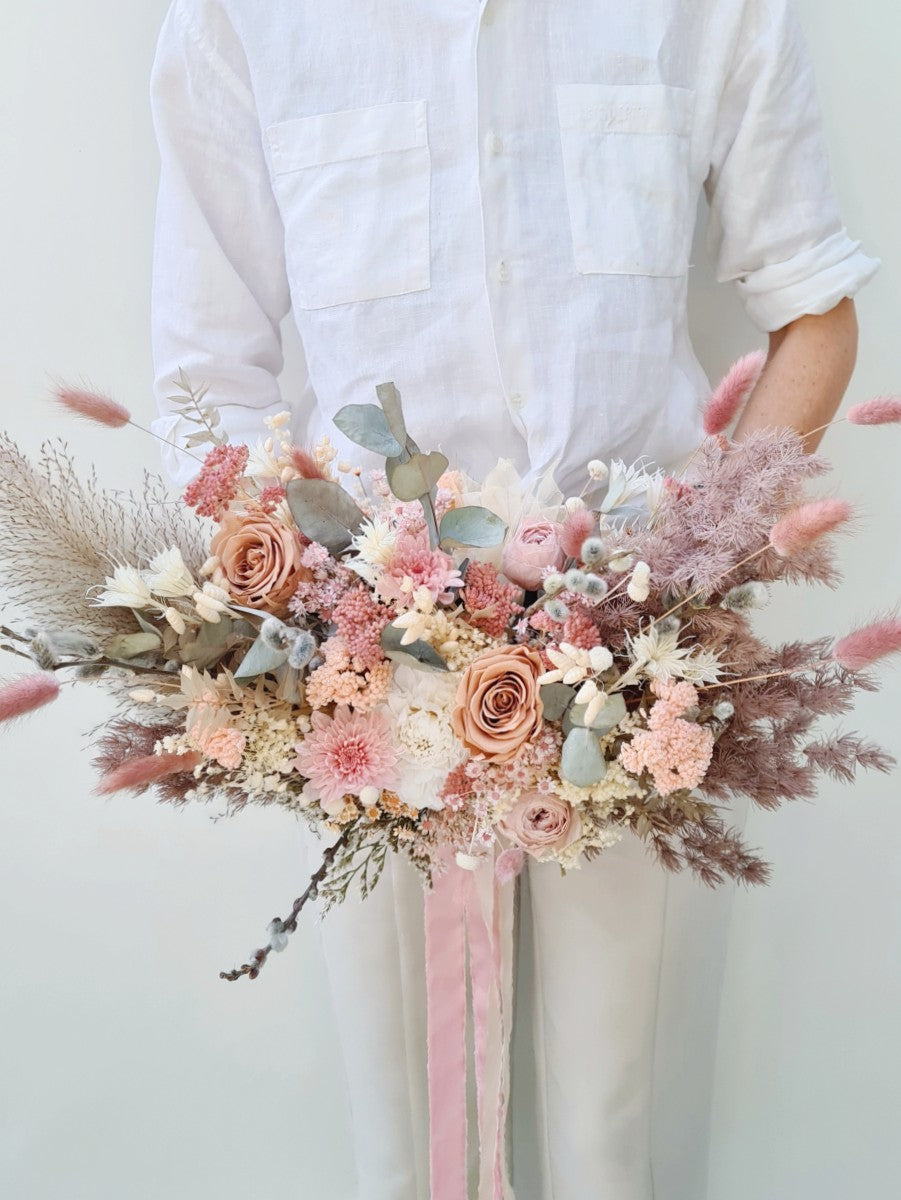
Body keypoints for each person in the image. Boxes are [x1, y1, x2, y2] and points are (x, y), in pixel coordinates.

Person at [148, 2, 879, 1197]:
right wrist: (317, 611)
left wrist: (690, 578)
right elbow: (202, 370)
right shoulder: (243, 19)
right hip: (365, 665)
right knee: (406, 1130)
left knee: (609, 1120)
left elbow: (814, 309)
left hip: (633, 660)